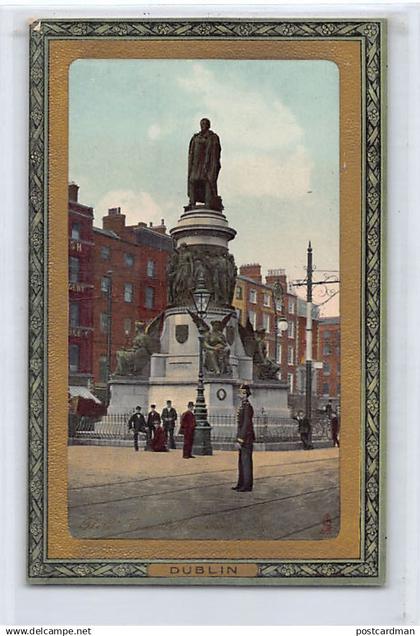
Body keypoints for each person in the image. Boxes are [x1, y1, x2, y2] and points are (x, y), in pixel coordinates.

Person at [188, 118, 222, 211]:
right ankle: (192, 202)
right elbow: (191, 152)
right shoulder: (195, 137)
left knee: (207, 181)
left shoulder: (213, 137)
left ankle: (208, 202)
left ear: (209, 125)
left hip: (208, 164)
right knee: (192, 180)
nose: (203, 125)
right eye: (201, 123)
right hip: (196, 164)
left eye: (205, 123)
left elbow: (217, 151)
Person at [232, 384, 255, 492]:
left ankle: (247, 485)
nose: (239, 394)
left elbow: (246, 424)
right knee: (241, 462)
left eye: (241, 392)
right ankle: (241, 483)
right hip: (244, 437)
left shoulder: (247, 407)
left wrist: (240, 440)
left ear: (245, 394)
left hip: (246, 438)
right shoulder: (243, 406)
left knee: (246, 462)